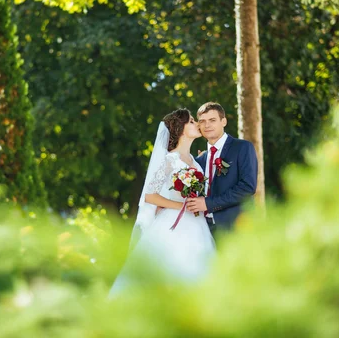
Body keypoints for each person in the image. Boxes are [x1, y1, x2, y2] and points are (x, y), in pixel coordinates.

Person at [109, 109, 215, 297]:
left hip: (197, 224)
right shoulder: (169, 159)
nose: (196, 124)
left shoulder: (195, 162)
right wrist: (181, 206)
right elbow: (150, 196)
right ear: (180, 128)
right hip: (173, 223)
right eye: (191, 121)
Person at [186, 102, 258, 235]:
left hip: (237, 228)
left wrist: (209, 204)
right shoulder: (198, 161)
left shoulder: (242, 147)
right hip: (204, 231)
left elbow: (247, 187)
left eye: (212, 120)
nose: (207, 125)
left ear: (223, 121)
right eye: (202, 121)